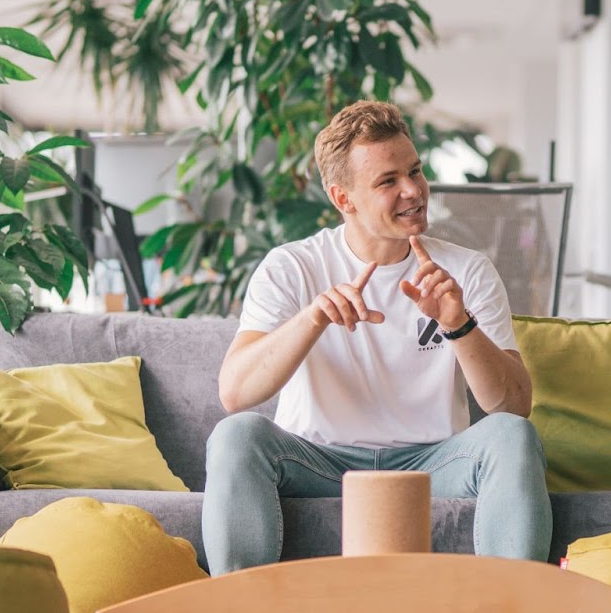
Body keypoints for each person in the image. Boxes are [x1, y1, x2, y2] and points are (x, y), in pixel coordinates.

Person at [201, 100, 552, 574]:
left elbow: (513, 406)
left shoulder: (467, 270)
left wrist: (458, 323)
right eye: (388, 181)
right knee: (237, 435)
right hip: (318, 462)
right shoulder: (292, 267)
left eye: (415, 171)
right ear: (343, 198)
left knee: (511, 436)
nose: (413, 191)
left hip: (433, 463)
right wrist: (313, 319)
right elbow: (235, 393)